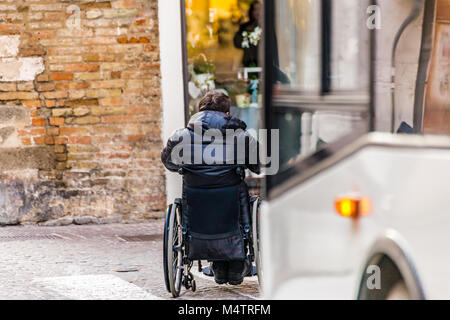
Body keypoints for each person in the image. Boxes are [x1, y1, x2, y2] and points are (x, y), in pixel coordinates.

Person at [161, 91, 260, 285]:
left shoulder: (181, 136)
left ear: (199, 111)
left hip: (195, 199)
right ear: (228, 112)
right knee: (239, 196)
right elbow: (258, 165)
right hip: (231, 199)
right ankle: (235, 265)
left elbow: (169, 163)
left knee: (203, 204)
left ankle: (219, 265)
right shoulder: (241, 137)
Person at [233, 1, 261, 68]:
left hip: (265, 62)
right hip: (249, 62)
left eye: (260, 9)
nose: (258, 12)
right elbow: (237, 43)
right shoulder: (245, 27)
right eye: (255, 10)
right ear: (251, 12)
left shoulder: (268, 27)